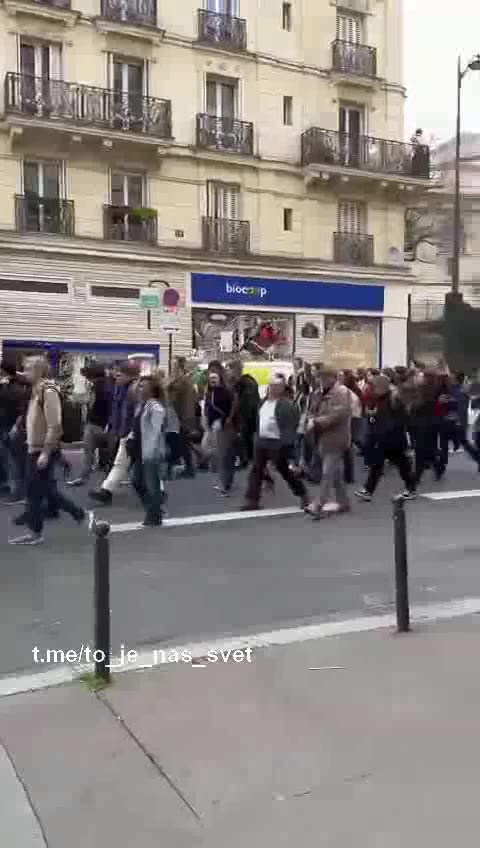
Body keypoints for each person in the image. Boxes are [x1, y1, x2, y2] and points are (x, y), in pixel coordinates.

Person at [8, 357, 85, 545]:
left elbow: (55, 425)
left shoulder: (48, 392)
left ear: (39, 371)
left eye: (28, 369)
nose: (24, 373)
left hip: (42, 450)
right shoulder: (35, 390)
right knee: (44, 490)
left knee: (34, 492)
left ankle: (36, 533)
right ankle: (76, 513)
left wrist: (46, 452)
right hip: (33, 447)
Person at [241, 378, 309, 511]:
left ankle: (303, 494)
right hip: (262, 441)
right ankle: (252, 500)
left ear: (282, 388)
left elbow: (293, 424)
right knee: (256, 470)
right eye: (271, 386)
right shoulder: (262, 403)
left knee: (284, 471)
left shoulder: (287, 405)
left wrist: (288, 443)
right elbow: (257, 421)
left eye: (277, 386)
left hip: (277, 442)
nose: (273, 388)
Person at [355, 374, 416, 502]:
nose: (371, 389)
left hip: (393, 438)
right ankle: (368, 490)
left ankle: (411, 488)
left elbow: (402, 417)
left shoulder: (394, 398)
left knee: (401, 465)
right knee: (379, 465)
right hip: (384, 438)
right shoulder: (380, 398)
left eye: (373, 386)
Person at [89, 362, 140, 505]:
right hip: (125, 431)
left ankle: (106, 490)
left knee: (142, 465)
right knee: (122, 463)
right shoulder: (120, 388)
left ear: (129, 376)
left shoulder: (135, 390)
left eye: (119, 375)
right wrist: (111, 425)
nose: (115, 377)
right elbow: (116, 410)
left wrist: (132, 432)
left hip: (133, 433)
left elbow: (137, 414)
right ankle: (106, 490)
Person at [306, 366, 352, 519]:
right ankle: (343, 502)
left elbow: (338, 413)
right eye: (320, 377)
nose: (322, 380)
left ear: (334, 378)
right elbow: (311, 409)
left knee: (327, 472)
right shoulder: (317, 393)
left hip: (336, 437)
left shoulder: (342, 392)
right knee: (335, 473)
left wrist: (317, 422)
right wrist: (310, 419)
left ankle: (319, 503)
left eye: (326, 377)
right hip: (321, 436)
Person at [67, 364, 113, 487]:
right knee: (108, 455)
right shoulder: (109, 385)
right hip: (105, 425)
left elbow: (90, 402)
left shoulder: (97, 387)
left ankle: (83, 477)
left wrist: (76, 399)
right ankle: (108, 483)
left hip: (94, 423)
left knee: (88, 453)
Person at [132, 376, 167, 527]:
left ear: (151, 390)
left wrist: (151, 450)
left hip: (150, 452)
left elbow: (156, 431)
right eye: (139, 386)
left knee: (151, 484)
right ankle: (154, 508)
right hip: (139, 450)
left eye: (143, 386)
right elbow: (137, 426)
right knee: (136, 481)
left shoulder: (155, 407)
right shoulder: (141, 405)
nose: (140, 389)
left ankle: (154, 515)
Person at [204, 368, 235, 496]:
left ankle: (224, 485)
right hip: (214, 425)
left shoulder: (223, 391)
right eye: (211, 379)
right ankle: (225, 482)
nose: (212, 381)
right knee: (221, 455)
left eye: (215, 379)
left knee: (223, 456)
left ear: (219, 380)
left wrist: (224, 420)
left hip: (221, 426)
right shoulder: (210, 392)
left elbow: (230, 406)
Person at [225, 360, 260, 467]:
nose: (228, 372)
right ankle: (248, 459)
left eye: (230, 369)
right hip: (250, 414)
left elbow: (240, 402)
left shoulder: (243, 383)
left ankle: (245, 459)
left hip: (245, 415)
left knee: (243, 437)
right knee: (246, 437)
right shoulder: (247, 381)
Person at [168, 357, 198, 478]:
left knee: (181, 442)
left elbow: (177, 396)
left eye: (173, 364)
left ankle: (188, 468)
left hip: (181, 415)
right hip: (179, 415)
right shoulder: (181, 379)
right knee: (183, 443)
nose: (172, 366)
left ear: (179, 366)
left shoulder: (182, 380)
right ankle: (189, 467)